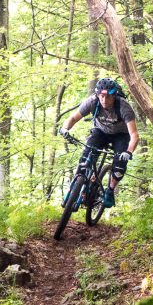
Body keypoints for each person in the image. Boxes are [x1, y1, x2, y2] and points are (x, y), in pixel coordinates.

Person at [58, 77, 139, 207]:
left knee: (119, 166)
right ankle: (76, 188)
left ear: (114, 95)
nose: (104, 100)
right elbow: (73, 118)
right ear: (97, 94)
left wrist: (128, 152)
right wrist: (65, 129)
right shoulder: (92, 101)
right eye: (101, 95)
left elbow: (134, 135)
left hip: (121, 135)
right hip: (100, 132)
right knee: (85, 158)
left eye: (108, 96)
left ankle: (110, 190)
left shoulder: (124, 107)